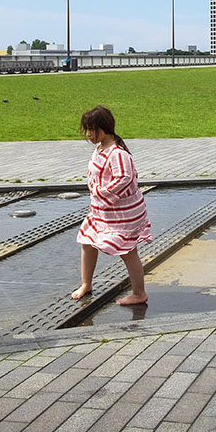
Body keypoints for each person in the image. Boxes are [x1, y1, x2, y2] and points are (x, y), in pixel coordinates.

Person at [73, 105, 152, 305]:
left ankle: (139, 293)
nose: (89, 135)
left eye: (92, 130)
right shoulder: (100, 149)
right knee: (87, 241)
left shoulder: (117, 153)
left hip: (122, 213)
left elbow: (124, 178)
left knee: (127, 250)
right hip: (102, 211)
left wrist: (101, 192)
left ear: (105, 128)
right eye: (87, 130)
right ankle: (86, 283)